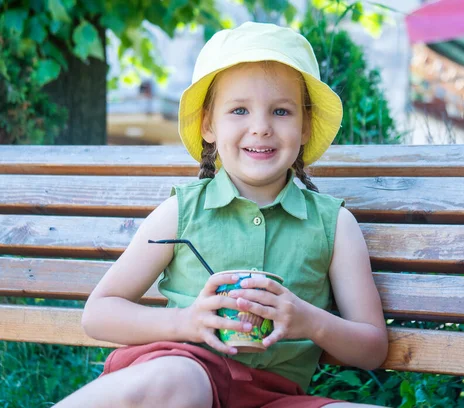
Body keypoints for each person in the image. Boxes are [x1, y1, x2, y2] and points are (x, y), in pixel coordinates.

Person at [54, 21, 388, 408]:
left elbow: (372, 347)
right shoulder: (181, 212)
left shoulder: (333, 226)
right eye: (239, 110)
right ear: (208, 124)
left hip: (275, 398)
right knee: (179, 380)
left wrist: (308, 320)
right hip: (188, 374)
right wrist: (186, 322)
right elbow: (98, 313)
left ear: (306, 125)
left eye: (281, 111)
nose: (260, 128)